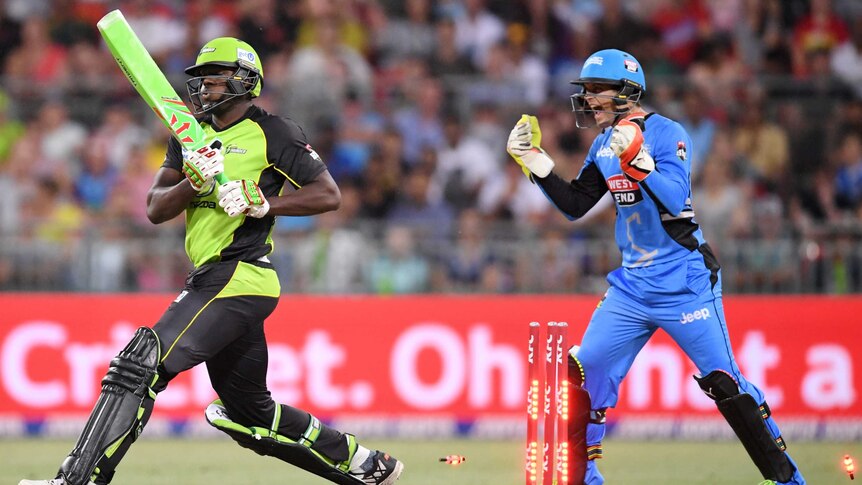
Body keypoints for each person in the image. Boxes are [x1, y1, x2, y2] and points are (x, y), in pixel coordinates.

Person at [19, 37, 403, 485]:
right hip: (213, 278)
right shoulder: (188, 135)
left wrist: (261, 202)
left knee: (140, 364)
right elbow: (155, 208)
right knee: (248, 415)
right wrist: (192, 183)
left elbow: (328, 194)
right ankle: (364, 463)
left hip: (240, 274)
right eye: (201, 79)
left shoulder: (273, 132)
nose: (204, 87)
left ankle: (76, 480)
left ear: (245, 81)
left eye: (215, 78)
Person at [506, 49, 805, 485]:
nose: (588, 100)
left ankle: (789, 481)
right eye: (585, 91)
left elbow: (677, 206)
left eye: (596, 91)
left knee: (726, 384)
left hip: (685, 283)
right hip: (631, 288)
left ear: (627, 92)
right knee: (582, 377)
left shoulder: (667, 133)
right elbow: (575, 205)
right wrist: (535, 162)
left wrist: (640, 166)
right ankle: (584, 477)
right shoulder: (603, 143)